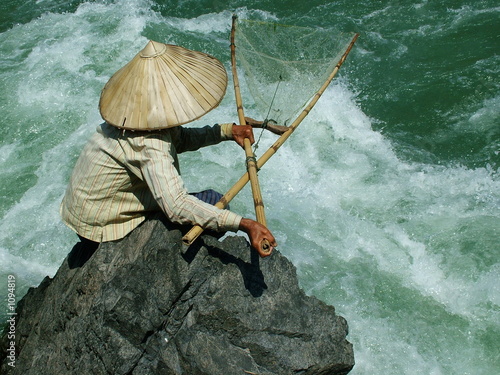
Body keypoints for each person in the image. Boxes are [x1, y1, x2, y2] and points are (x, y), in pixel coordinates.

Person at [60, 40, 277, 261]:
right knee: (214, 200)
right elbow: (176, 205)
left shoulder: (132, 117)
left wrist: (227, 131)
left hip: (86, 211)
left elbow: (180, 139)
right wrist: (244, 224)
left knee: (207, 203)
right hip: (101, 225)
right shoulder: (148, 142)